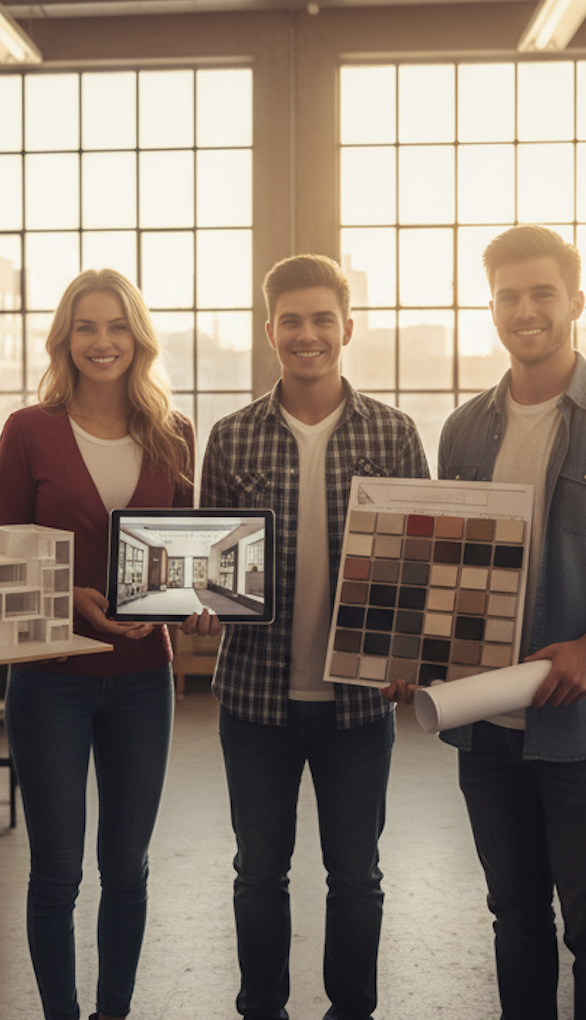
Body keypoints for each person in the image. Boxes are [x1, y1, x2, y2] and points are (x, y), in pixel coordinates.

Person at [388, 224, 586, 1019]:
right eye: (509, 297)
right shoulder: (464, 429)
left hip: (584, 725)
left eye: (542, 294)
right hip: (485, 723)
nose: (525, 311)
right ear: (491, 308)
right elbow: (448, 566)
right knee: (515, 917)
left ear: (576, 303)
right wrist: (414, 651)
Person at [199, 253, 429, 1020]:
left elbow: (419, 569)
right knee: (258, 873)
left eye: (323, 319)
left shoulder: (394, 434)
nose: (308, 335)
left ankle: (351, 1010)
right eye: (291, 321)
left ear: (347, 328)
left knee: (356, 876)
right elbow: (212, 571)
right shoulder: (231, 438)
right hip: (254, 699)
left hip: (358, 705)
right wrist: (198, 601)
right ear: (269, 332)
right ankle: (260, 1009)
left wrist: (412, 655)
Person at [0, 268, 219, 1020]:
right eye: (86, 326)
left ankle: (113, 1012)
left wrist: (198, 606)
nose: (102, 341)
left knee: (126, 865)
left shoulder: (173, 432)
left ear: (138, 338)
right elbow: (4, 558)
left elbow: (184, 557)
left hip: (143, 678)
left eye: (117, 326)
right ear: (65, 339)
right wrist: (68, 597)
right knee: (57, 871)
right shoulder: (28, 431)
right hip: (50, 675)